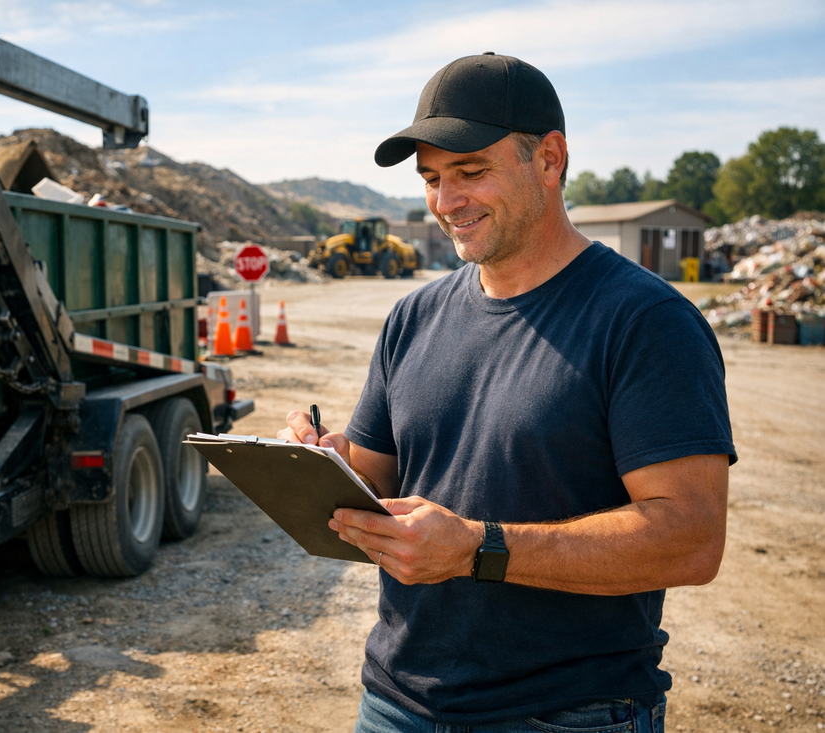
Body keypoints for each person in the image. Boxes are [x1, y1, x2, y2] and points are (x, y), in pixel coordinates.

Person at [278, 53, 735, 732]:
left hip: (566, 714)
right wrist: (320, 463)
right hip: (395, 703)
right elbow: (374, 480)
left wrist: (476, 547)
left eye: (470, 172)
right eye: (432, 179)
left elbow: (691, 539)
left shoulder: (645, 322)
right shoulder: (413, 317)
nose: (444, 202)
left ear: (549, 159)